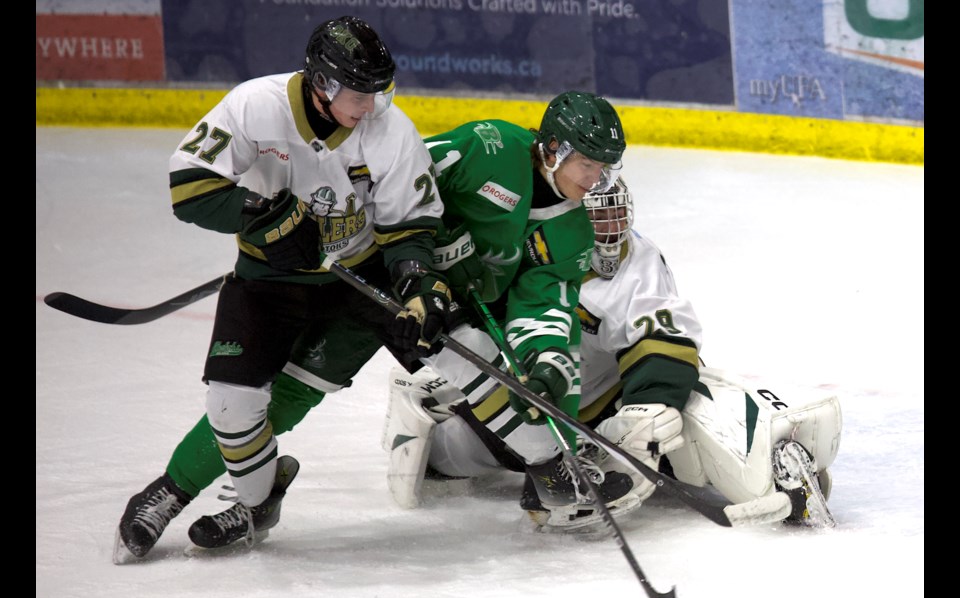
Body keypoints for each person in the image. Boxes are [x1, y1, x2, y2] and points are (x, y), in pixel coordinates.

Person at [114, 87, 636, 561]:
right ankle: (173, 490)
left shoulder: (571, 230)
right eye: (587, 165)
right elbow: (401, 179)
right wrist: (364, 237)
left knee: (486, 366)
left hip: (431, 306)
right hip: (374, 269)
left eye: (603, 170)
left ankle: (552, 468)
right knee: (283, 397)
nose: (594, 181)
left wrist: (543, 363)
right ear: (552, 150)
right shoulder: (490, 146)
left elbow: (544, 306)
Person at [114, 16, 453, 564]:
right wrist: (260, 215)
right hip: (268, 278)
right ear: (321, 82)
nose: (371, 104)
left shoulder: (391, 131)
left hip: (357, 281)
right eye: (358, 92)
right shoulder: (256, 106)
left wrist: (415, 280)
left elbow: (409, 224)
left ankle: (207, 497)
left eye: (377, 90)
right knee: (231, 406)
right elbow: (189, 185)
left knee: (286, 401)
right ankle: (236, 498)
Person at [382, 177, 841, 530]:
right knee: (466, 454)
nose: (608, 234)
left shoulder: (636, 259)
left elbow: (663, 334)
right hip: (523, 406)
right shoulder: (521, 255)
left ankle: (769, 468)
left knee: (683, 407)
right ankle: (428, 410)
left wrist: (647, 409)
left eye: (614, 218)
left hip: (601, 396)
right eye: (592, 221)